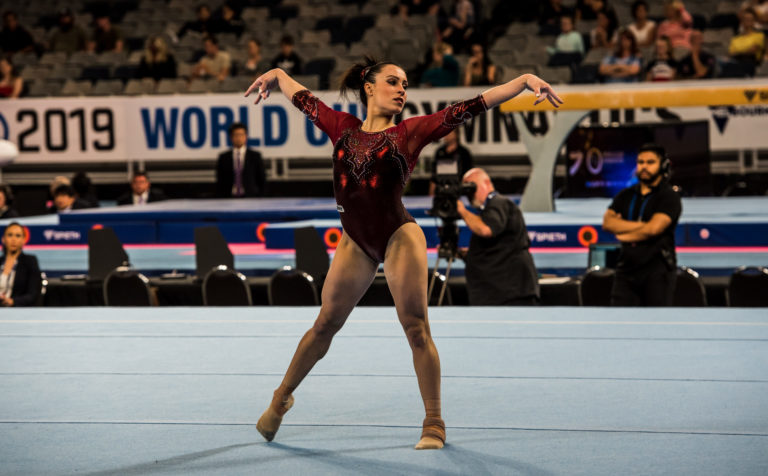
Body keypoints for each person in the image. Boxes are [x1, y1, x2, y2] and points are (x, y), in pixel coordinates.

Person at [244, 56, 561, 449]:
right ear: (369, 87)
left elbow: (471, 106)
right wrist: (276, 75)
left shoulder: (409, 134)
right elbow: (303, 99)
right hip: (356, 241)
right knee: (325, 324)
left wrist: (523, 79)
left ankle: (434, 421)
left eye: (406, 84)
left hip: (398, 235)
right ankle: (281, 398)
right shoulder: (341, 127)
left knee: (415, 327)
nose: (402, 90)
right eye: (393, 81)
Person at [602, 143, 682, 306]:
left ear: (663, 165)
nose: (644, 167)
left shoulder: (669, 197)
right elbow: (608, 222)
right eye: (641, 162)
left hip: (657, 271)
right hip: (626, 270)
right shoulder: (626, 195)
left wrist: (623, 230)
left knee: (656, 324)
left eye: (650, 162)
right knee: (620, 322)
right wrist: (641, 228)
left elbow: (654, 228)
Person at [456, 168, 539, 305]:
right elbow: (499, 248)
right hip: (501, 292)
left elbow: (486, 229)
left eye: (472, 187)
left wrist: (462, 211)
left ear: (487, 183)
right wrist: (468, 254)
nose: (469, 193)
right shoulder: (488, 210)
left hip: (511, 294)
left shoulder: (498, 202)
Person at [216, 122, 266, 198]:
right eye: (236, 135)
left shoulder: (255, 156)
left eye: (241, 135)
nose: (239, 138)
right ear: (231, 137)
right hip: (229, 198)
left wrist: (260, 197)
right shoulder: (224, 157)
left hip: (250, 197)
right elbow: (220, 181)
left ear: (246, 136)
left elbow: (261, 180)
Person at [1, 222, 41, 307]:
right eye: (10, 235)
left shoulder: (30, 261)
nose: (13, 239)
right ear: (3, 239)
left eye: (18, 236)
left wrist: (12, 301)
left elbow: (33, 295)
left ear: (24, 240)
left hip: (18, 309)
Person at [429, 129, 473, 196]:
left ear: (456, 135)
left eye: (448, 133)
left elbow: (469, 176)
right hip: (441, 193)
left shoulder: (464, 153)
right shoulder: (439, 152)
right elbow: (434, 177)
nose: (446, 135)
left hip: (459, 194)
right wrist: (431, 194)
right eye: (445, 132)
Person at [729, 7, 765, 74]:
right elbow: (731, 54)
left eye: (750, 19)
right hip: (736, 62)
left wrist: (738, 52)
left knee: (746, 63)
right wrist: (745, 51)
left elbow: (752, 51)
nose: (748, 21)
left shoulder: (759, 35)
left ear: (754, 21)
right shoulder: (736, 38)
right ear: (742, 21)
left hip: (751, 62)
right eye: (745, 19)